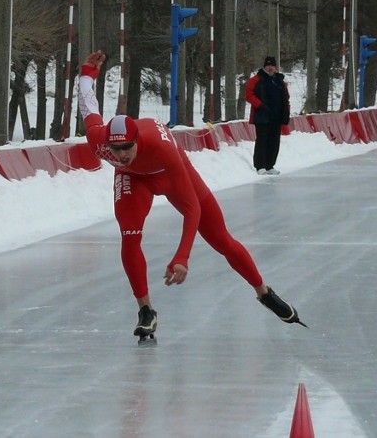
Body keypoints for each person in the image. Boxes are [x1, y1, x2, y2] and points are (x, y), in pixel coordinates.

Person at [77, 50, 306, 339]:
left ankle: (263, 292)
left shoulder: (163, 151)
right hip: (134, 181)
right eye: (115, 150)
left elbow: (191, 209)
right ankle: (145, 309)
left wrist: (182, 257)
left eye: (127, 149)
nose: (121, 155)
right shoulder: (100, 142)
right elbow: (89, 107)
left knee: (221, 238)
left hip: (169, 172)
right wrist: (87, 73)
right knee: (130, 235)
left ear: (137, 141)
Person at [245, 56, 291, 175]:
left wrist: (286, 112)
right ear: (265, 66)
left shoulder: (280, 81)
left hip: (276, 117)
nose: (270, 68)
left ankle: (270, 165)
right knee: (262, 140)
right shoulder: (256, 79)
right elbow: (249, 95)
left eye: (272, 65)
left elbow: (286, 98)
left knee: (274, 141)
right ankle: (260, 166)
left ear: (275, 67)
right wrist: (260, 105)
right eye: (268, 65)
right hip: (262, 116)